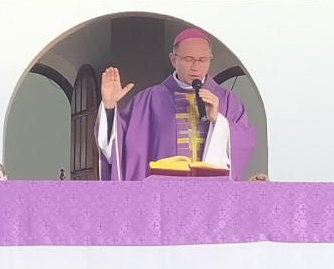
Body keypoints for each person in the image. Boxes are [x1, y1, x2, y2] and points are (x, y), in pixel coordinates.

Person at [94, 27, 259, 181]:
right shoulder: (148, 101)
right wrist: (109, 106)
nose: (196, 66)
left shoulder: (228, 100)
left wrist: (218, 121)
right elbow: (117, 148)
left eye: (203, 60)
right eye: (189, 59)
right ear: (173, 59)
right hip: (162, 195)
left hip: (211, 197)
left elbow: (244, 144)